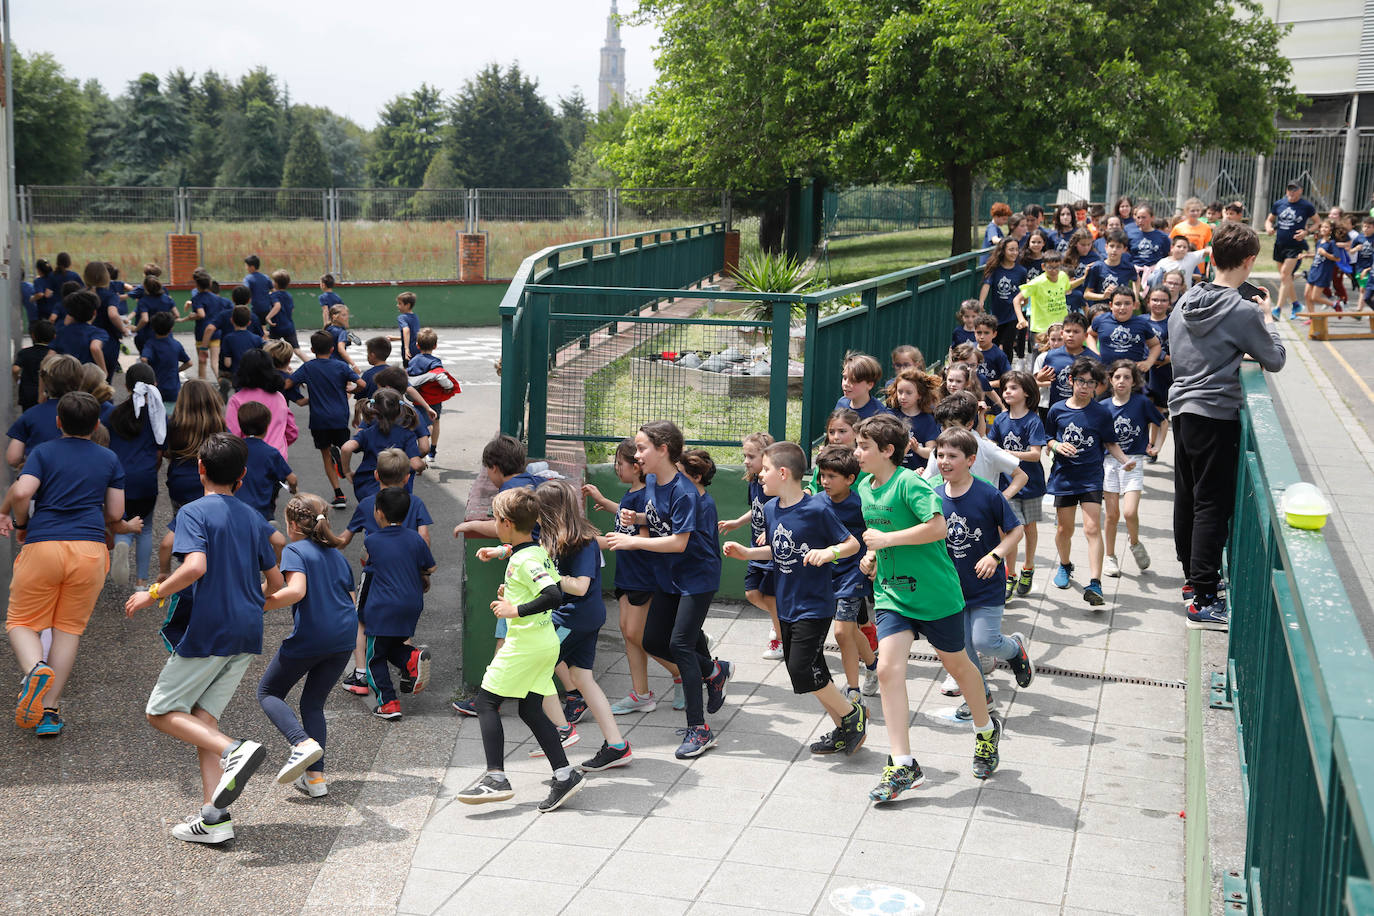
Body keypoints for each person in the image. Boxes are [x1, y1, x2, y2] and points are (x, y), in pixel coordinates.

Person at [125, 433, 283, 844]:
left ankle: (235, 751)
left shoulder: (194, 512)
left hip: (211, 630)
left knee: (159, 712)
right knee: (202, 720)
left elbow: (195, 566)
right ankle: (215, 818)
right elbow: (276, 582)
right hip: (247, 631)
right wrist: (246, 605)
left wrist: (153, 593)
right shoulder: (253, 517)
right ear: (243, 476)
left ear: (200, 470)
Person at [853, 413, 1003, 800]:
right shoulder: (866, 487)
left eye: (863, 446)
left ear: (888, 451)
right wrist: (871, 557)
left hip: (936, 596)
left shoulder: (911, 483)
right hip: (892, 595)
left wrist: (888, 541)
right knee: (887, 669)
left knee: (958, 665)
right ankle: (902, 765)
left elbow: (939, 527)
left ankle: (985, 730)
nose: (857, 453)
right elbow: (877, 539)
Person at [1169, 220, 1286, 629]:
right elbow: (1274, 358)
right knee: (1211, 504)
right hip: (1216, 414)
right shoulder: (1241, 310)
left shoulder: (1187, 300)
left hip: (1182, 411)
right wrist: (1267, 317)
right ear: (1250, 261)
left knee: (1188, 497)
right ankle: (1203, 596)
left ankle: (1191, 579)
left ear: (1212, 255)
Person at [0, 391, 136, 737]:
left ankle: (34, 670)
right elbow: (116, 513)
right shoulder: (108, 459)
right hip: (90, 551)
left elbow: (20, 493)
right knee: (68, 630)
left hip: (43, 545)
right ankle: (49, 712)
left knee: (20, 622)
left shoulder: (42, 452)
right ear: (96, 425)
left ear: (59, 422)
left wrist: (20, 524)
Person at [724, 441, 868, 754]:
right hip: (787, 603)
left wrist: (827, 553)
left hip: (814, 605)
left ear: (784, 472)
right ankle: (844, 729)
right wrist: (748, 552)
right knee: (811, 671)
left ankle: (851, 715)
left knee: (802, 668)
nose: (761, 475)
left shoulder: (817, 507)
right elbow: (779, 549)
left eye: (765, 469)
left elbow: (852, 545)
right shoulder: (772, 508)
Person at [605, 421, 732, 759]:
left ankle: (698, 728)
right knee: (651, 640)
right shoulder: (650, 482)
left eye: (642, 447)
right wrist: (639, 521)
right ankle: (714, 670)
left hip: (696, 578)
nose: (637, 453)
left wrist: (633, 543)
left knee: (680, 644)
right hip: (669, 577)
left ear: (663, 450)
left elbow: (679, 542)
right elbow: (661, 518)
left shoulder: (684, 490)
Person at [456, 487, 586, 811]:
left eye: (495, 518)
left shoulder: (526, 559)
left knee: (486, 702)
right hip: (544, 643)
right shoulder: (533, 550)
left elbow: (554, 594)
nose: (492, 522)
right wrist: (499, 556)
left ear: (506, 522)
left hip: (525, 645)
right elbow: (531, 569)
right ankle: (565, 774)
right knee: (530, 709)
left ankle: (496, 778)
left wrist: (514, 610)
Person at [258, 493, 357, 798]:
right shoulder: (338, 556)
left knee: (269, 692)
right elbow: (351, 601)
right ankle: (315, 780)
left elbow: (296, 590)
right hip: (343, 637)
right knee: (312, 703)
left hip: (313, 635)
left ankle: (302, 742)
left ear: (292, 524)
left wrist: (257, 604)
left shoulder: (295, 551)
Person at [932, 427, 1035, 718]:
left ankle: (1014, 649)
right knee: (963, 652)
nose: (944, 461)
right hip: (952, 589)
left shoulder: (988, 494)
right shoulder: (934, 496)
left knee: (984, 641)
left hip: (987, 585)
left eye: (952, 455)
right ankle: (981, 698)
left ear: (971, 459)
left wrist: (995, 555)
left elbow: (1016, 531)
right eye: (940, 455)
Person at [532, 479, 634, 772]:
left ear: (549, 512)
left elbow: (579, 587)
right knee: (581, 676)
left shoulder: (581, 542)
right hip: (579, 616)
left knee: (537, 663)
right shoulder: (553, 536)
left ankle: (563, 730)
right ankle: (617, 746)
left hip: (574, 617)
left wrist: (544, 573)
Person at [585, 439, 683, 715]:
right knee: (628, 635)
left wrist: (591, 540)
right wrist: (605, 502)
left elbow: (640, 535)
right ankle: (641, 694)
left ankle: (689, 674)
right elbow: (629, 519)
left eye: (621, 464)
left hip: (642, 576)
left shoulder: (645, 496)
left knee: (640, 636)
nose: (617, 468)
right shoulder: (632, 494)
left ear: (638, 467)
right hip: (627, 575)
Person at [339, 448, 433, 696]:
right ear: (406, 478)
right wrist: (423, 572)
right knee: (402, 626)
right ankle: (409, 667)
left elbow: (344, 540)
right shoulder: (415, 502)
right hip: (408, 572)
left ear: (375, 475)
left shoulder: (368, 504)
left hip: (375, 575)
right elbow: (424, 536)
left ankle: (361, 674)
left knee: (362, 621)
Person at [1046, 358, 1133, 607]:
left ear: (1096, 386)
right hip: (1064, 476)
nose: (1085, 387)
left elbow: (1111, 443)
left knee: (1092, 528)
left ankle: (1095, 584)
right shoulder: (1057, 410)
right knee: (1064, 530)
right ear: (1071, 381)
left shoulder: (1101, 413)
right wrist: (1056, 445)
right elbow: (1048, 437)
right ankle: (1065, 566)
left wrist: (1125, 461)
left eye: (1090, 383)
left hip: (1091, 478)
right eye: (1081, 381)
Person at [360, 487, 437, 719]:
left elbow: (366, 567)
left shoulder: (371, 541)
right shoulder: (414, 537)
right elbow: (431, 567)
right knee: (390, 646)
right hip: (411, 603)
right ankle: (410, 658)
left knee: (373, 658)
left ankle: (388, 702)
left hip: (382, 606)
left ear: (379, 513)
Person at [811, 443, 878, 700]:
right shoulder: (816, 502)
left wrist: (873, 561)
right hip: (825, 575)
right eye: (822, 475)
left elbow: (874, 536)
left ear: (850, 478)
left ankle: (853, 690)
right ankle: (872, 667)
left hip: (853, 575)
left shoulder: (861, 504)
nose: (825, 481)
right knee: (850, 631)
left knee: (841, 631)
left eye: (832, 476)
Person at [717, 432, 784, 660]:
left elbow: (782, 512)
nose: (746, 461)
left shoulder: (773, 484)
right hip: (754, 548)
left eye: (751, 456)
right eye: (745, 455)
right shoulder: (754, 482)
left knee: (772, 597)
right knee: (752, 594)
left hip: (771, 552)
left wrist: (770, 531)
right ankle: (782, 618)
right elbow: (755, 509)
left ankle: (780, 638)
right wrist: (737, 522)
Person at [1101, 361, 1166, 578]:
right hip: (1109, 463)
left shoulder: (1141, 403)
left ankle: (1135, 542)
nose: (1121, 381)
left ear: (1134, 381)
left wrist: (1156, 446)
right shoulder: (1103, 407)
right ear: (1110, 379)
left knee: (1129, 512)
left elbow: (1162, 422)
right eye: (1117, 377)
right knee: (1111, 515)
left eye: (1127, 377)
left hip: (1134, 461)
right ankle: (1110, 556)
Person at [287, 330, 363, 510]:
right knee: (347, 448)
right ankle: (345, 468)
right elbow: (362, 384)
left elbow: (287, 384)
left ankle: (339, 494)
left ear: (312, 349)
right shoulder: (341, 366)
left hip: (319, 419)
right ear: (331, 348)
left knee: (325, 454)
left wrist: (301, 398)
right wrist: (350, 391)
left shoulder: (308, 367)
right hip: (339, 417)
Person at [106, 363, 165, 589]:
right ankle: (141, 583)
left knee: (120, 521)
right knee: (146, 527)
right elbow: (160, 451)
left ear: (126, 386)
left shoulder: (112, 415)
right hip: (145, 480)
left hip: (117, 480)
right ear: (155, 384)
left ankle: (122, 540)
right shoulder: (157, 417)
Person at [990, 370, 1048, 599]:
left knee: (1029, 528)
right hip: (1007, 485)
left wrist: (1007, 453)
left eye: (1013, 388)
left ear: (1026, 392)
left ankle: (1028, 567)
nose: (1007, 392)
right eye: (1005, 388)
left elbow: (1035, 454)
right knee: (1010, 530)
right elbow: (991, 445)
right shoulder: (1001, 419)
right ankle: (1010, 575)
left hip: (1032, 485)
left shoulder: (1033, 420)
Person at [340, 389, 424, 503]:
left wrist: (347, 471)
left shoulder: (367, 433)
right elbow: (416, 464)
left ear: (374, 410)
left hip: (367, 485)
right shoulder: (407, 435)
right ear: (400, 411)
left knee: (370, 516)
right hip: (396, 490)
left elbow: (346, 448)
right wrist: (422, 465)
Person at [7, 353, 84, 469]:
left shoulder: (31, 414)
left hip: (41, 477)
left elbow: (13, 458)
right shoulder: (88, 411)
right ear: (80, 381)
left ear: (45, 382)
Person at [164, 380, 228, 513]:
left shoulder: (173, 426)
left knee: (182, 525)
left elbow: (165, 451)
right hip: (212, 486)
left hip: (180, 484)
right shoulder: (221, 428)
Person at [225, 348, 298, 460]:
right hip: (277, 456)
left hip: (249, 459)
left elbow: (233, 436)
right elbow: (291, 431)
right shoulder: (278, 397)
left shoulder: (237, 400)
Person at [234, 401, 297, 523]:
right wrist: (293, 490)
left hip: (236, 507)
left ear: (241, 425)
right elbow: (292, 479)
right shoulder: (270, 453)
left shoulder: (235, 449)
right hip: (261, 510)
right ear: (267, 426)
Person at [1265, 182, 1317, 319]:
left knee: (1284, 275)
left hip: (1295, 246)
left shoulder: (1306, 206)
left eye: (1295, 190)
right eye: (1290, 190)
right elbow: (1269, 220)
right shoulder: (1279, 204)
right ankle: (1296, 305)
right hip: (1279, 244)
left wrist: (1306, 232)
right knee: (1286, 278)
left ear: (1301, 191)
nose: (1291, 192)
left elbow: (1318, 222)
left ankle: (1277, 310)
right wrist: (1269, 228)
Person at [1034, 312, 1100, 408]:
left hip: (1085, 410)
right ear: (1062, 333)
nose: (1071, 335)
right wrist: (1041, 378)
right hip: (1057, 409)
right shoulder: (1051, 356)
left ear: (1085, 336)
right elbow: (1041, 378)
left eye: (1076, 332)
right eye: (1068, 331)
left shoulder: (1093, 359)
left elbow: (1101, 385)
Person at [978, 236, 1027, 358]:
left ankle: (1007, 374)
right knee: (993, 343)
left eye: (1016, 249)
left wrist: (1023, 304)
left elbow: (1024, 291)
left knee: (1008, 345)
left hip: (1012, 314)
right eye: (1011, 249)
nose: (1014, 253)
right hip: (996, 314)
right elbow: (986, 284)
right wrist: (981, 301)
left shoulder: (1021, 271)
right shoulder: (995, 269)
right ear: (1003, 251)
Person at [1090, 288, 1161, 372]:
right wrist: (1094, 352)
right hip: (1106, 373)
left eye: (1127, 303)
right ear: (1111, 305)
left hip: (1133, 376)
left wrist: (1149, 362)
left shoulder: (1142, 323)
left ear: (1134, 305)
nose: (1122, 308)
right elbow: (1090, 334)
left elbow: (1155, 345)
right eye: (1118, 304)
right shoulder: (1100, 320)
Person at [886, 366, 942, 469]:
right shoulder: (890, 416)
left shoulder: (928, 420)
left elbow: (932, 452)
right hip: (892, 472)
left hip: (919, 473)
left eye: (908, 393)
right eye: (900, 392)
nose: (903, 397)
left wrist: (917, 449)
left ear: (919, 395)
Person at [406, 328, 446, 462]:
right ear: (435, 346)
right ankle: (432, 450)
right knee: (435, 421)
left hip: (417, 397)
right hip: (433, 398)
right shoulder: (436, 362)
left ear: (417, 345)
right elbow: (440, 377)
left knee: (418, 419)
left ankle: (420, 442)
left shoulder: (413, 361)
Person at [87, 260, 127, 381]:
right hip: (109, 341)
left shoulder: (82, 294)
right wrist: (123, 329)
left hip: (86, 339)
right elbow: (113, 315)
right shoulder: (110, 295)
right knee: (105, 381)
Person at [53, 290, 109, 374]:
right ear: (94, 312)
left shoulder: (61, 332)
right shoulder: (98, 332)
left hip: (65, 376)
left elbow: (50, 355)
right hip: (87, 376)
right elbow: (95, 348)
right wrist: (103, 371)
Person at [140, 311, 191, 404]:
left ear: (153, 327)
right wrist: (176, 370)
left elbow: (144, 359)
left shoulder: (150, 344)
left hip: (155, 386)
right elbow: (189, 363)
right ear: (171, 328)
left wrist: (148, 376)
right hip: (173, 387)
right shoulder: (176, 344)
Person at [1084, 229, 1138, 305]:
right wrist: (1103, 296)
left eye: (1118, 247)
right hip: (1101, 309)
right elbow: (1086, 294)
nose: (1114, 250)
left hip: (1121, 309)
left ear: (1124, 249)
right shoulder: (1097, 267)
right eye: (1111, 246)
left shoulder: (1128, 267)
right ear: (1106, 247)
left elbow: (1136, 279)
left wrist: (1136, 296)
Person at [12, 319, 53, 411]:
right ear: (54, 336)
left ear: (33, 336)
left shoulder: (25, 353)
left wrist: (17, 379)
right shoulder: (53, 354)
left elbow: (15, 369)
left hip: (27, 394)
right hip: (47, 393)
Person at [219, 303, 265, 384]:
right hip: (254, 375)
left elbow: (227, 363)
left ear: (231, 320)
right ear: (249, 323)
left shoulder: (228, 338)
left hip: (237, 375)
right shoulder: (257, 339)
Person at [836, 351, 888, 420]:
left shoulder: (879, 413)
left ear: (870, 385)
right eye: (845, 378)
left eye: (853, 380)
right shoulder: (841, 403)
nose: (846, 384)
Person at [132, 277, 176, 354]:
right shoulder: (167, 299)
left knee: (147, 358)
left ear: (145, 287)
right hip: (165, 335)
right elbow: (176, 314)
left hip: (147, 335)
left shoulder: (144, 301)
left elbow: (145, 319)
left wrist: (136, 329)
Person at [972, 314, 1012, 393]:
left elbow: (1008, 379)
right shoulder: (969, 350)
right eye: (979, 332)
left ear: (994, 334)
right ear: (974, 332)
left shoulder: (999, 355)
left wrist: (987, 384)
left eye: (986, 333)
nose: (982, 336)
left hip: (991, 399)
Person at [242, 255, 274, 330]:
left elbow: (245, 292)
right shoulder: (266, 277)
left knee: (255, 328)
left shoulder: (248, 278)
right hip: (267, 309)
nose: (246, 268)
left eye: (246, 266)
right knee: (263, 327)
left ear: (252, 267)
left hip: (255, 309)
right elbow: (274, 291)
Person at [324, 304, 358, 370]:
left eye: (347, 315)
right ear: (334, 317)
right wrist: (353, 365)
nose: (347, 317)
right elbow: (341, 349)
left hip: (327, 363)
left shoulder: (328, 329)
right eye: (344, 315)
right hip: (340, 365)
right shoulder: (342, 332)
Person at [394, 291, 421, 362]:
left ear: (407, 305)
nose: (397, 305)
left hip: (408, 350)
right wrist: (394, 338)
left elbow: (406, 330)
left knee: (406, 370)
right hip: (418, 348)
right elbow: (412, 335)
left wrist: (406, 348)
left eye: (400, 303)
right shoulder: (415, 317)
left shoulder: (402, 317)